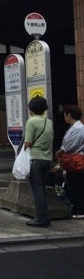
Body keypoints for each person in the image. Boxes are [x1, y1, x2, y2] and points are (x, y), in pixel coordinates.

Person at [24, 96, 54, 227]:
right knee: (42, 188)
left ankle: (41, 218)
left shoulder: (31, 122)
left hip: (35, 159)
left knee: (38, 190)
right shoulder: (49, 122)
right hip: (47, 159)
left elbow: (28, 142)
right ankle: (44, 216)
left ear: (31, 109)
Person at [54, 105, 84, 219]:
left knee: (76, 185)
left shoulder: (78, 128)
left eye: (65, 114)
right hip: (73, 161)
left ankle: (79, 210)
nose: (64, 117)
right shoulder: (76, 127)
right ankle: (78, 209)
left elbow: (69, 146)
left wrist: (60, 151)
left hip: (74, 161)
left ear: (69, 115)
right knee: (75, 184)